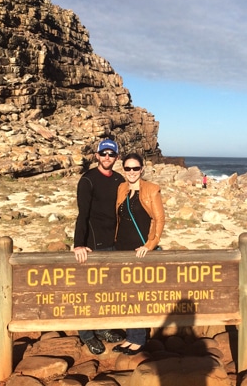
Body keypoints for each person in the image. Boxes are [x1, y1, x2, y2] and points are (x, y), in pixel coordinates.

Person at [72, 138, 125, 354]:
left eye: (111, 154)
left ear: (116, 158)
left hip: (114, 242)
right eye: (103, 153)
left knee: (108, 291)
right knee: (88, 291)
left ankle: (103, 328)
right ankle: (86, 335)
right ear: (97, 156)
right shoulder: (88, 180)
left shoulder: (120, 179)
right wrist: (78, 244)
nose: (107, 157)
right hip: (93, 244)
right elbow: (82, 214)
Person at [112, 152, 165, 355]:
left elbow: (159, 219)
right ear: (123, 170)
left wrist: (149, 245)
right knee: (125, 295)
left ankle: (138, 339)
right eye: (128, 168)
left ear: (141, 169)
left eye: (135, 168)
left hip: (139, 249)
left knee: (137, 294)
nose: (132, 172)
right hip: (121, 247)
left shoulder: (152, 190)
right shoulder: (122, 188)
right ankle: (130, 336)